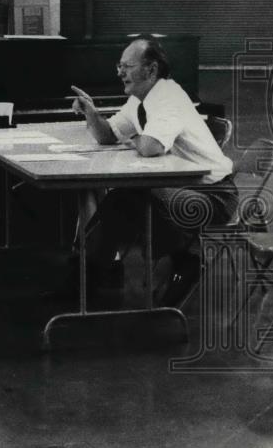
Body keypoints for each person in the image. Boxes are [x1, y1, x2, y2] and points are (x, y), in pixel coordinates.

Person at [70, 35, 238, 306]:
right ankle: (85, 279)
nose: (120, 72)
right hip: (180, 188)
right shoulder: (139, 100)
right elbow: (108, 135)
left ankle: (187, 259)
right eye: (119, 66)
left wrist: (134, 139)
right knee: (122, 199)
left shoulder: (168, 96)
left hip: (212, 196)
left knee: (140, 197)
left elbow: (151, 147)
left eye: (127, 66)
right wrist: (91, 112)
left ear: (151, 70)